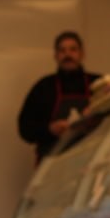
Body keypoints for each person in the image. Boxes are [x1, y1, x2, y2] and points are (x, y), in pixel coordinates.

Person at [17, 30, 100, 163]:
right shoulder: (43, 87)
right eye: (62, 50)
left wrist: (93, 116)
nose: (68, 54)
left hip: (89, 163)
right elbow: (24, 129)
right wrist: (49, 129)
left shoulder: (98, 84)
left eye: (73, 50)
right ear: (55, 55)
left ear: (82, 54)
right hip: (51, 166)